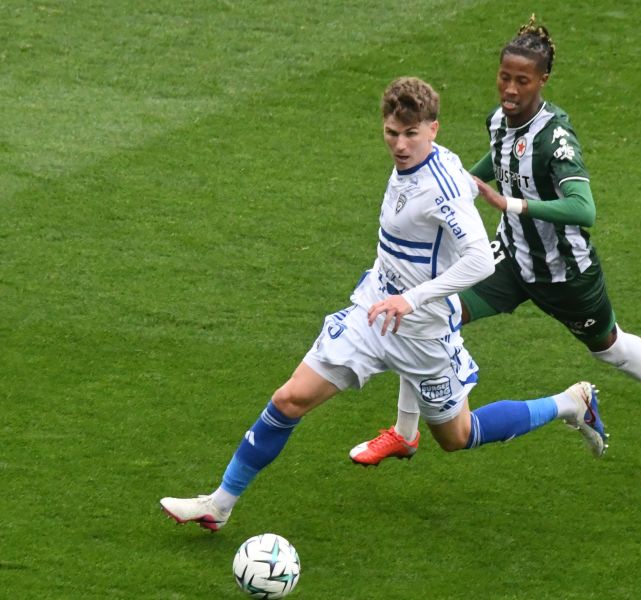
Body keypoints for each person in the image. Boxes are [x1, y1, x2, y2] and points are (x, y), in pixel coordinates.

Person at [160, 77, 607, 531]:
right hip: (372, 314)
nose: (400, 145)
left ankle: (570, 403)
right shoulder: (419, 165)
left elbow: (479, 260)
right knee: (290, 398)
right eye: (392, 133)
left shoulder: (443, 187)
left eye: (411, 134)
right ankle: (219, 503)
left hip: (425, 335)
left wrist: (411, 299)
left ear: (433, 129)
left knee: (457, 436)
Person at [349, 18, 641, 467]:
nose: (511, 89)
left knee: (610, 348)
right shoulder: (498, 120)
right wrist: (457, 184)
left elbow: (584, 209)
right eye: (505, 77)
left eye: (523, 80)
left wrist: (511, 204)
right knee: (428, 311)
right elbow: (499, 156)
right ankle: (405, 433)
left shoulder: (556, 138)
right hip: (509, 258)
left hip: (564, 272)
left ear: (543, 80)